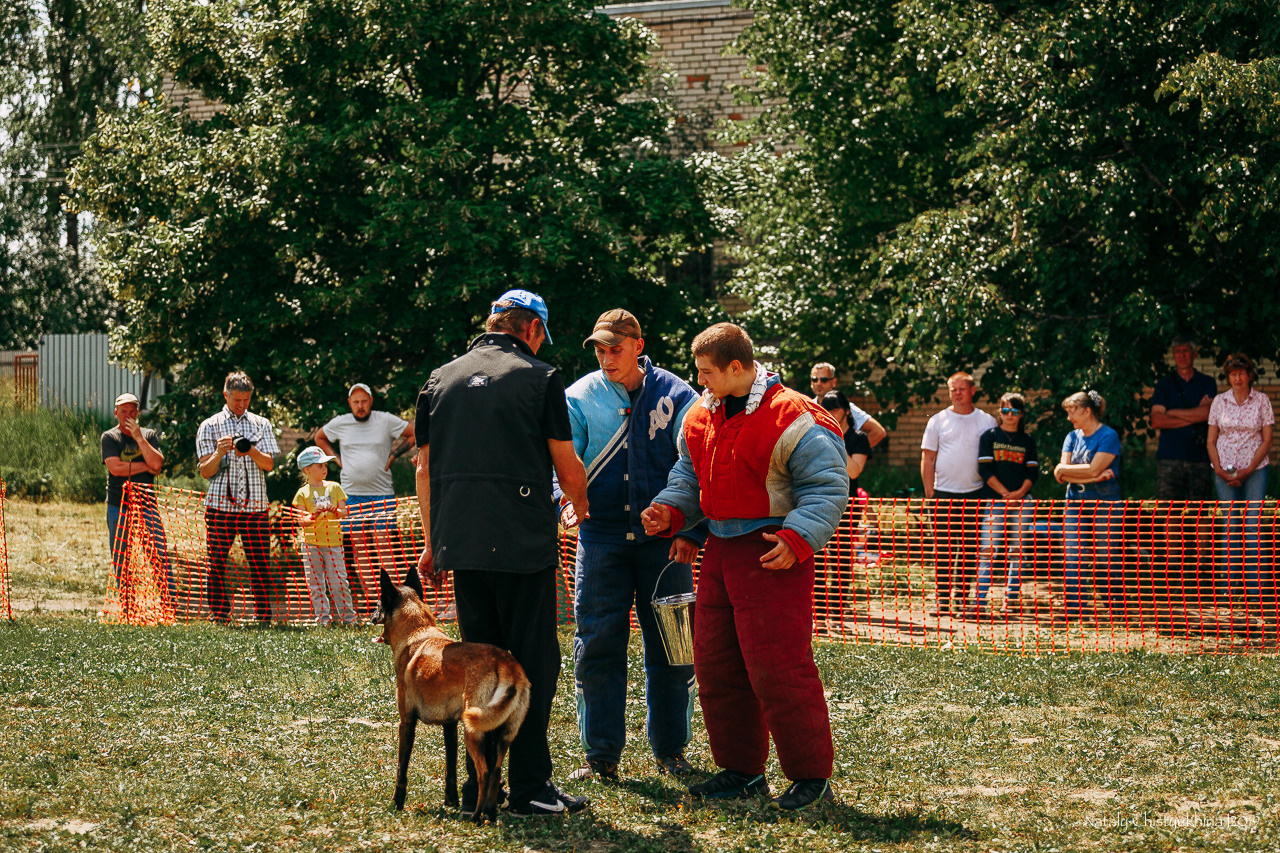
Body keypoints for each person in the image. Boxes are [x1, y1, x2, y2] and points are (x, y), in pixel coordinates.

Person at [641, 323, 848, 812]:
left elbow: (827, 486)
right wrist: (669, 511)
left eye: (707, 372)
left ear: (737, 367)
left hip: (774, 553)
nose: (700, 380)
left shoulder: (793, 415)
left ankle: (811, 776)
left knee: (779, 670)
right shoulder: (700, 414)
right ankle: (742, 770)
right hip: (719, 552)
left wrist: (798, 538)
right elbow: (687, 477)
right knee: (717, 667)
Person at [414, 288, 591, 818]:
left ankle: (480, 789)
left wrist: (431, 544)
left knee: (481, 668)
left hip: (461, 544)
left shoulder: (438, 379)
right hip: (522, 546)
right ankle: (532, 787)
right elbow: (566, 464)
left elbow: (424, 471)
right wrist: (583, 511)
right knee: (531, 665)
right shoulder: (541, 378)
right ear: (532, 329)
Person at [558, 308, 704, 784]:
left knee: (675, 645)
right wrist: (563, 499)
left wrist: (688, 529)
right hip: (599, 539)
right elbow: (562, 461)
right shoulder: (577, 396)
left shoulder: (678, 393)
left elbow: (698, 464)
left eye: (614, 348)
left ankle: (671, 749)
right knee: (596, 644)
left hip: (664, 545)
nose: (605, 357)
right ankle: (600, 755)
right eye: (599, 349)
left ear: (638, 345)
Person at [314, 383, 415, 617]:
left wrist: (394, 455)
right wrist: (336, 459)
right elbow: (320, 437)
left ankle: (398, 601)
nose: (360, 406)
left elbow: (414, 432)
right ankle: (374, 602)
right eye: (356, 402)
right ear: (350, 403)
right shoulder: (340, 423)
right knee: (359, 549)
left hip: (381, 494)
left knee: (384, 547)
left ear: (371, 401)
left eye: (364, 401)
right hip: (351, 495)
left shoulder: (385, 420)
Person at [196, 371, 281, 625]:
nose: (241, 405)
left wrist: (251, 450)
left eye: (246, 400)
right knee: (217, 562)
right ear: (226, 395)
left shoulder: (261, 424)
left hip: (255, 506)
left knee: (260, 563)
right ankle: (220, 613)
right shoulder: (210, 425)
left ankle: (263, 615)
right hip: (220, 506)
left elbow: (269, 465)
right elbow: (204, 471)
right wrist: (219, 452)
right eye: (236, 400)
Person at [919, 372, 997, 615]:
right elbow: (928, 457)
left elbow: (993, 460)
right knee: (942, 549)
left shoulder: (987, 421)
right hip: (942, 495)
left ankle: (962, 600)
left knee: (969, 549)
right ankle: (942, 601)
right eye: (953, 389)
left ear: (972, 390)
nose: (957, 393)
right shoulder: (938, 420)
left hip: (974, 495)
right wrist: (930, 491)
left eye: (961, 389)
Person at [1206, 353, 1274, 600]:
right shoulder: (1219, 402)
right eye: (1232, 374)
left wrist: (1248, 470)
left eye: (1241, 373)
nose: (1237, 378)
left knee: (1252, 526)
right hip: (1224, 471)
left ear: (1249, 375)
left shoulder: (1262, 400)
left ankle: (1256, 592)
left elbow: (1267, 440)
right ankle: (1229, 591)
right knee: (1231, 525)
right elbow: (1211, 440)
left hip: (1255, 470)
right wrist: (1219, 469)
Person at [1053, 391, 1122, 620]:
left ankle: (1114, 608)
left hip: (1105, 504)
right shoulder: (1071, 437)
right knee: (1073, 555)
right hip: (1074, 503)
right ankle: (1075, 609)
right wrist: (1092, 477)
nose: (1069, 417)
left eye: (1072, 411)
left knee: (1107, 555)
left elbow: (1078, 469)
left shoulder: (1108, 435)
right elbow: (1062, 473)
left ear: (1087, 411)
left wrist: (1076, 472)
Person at [972, 393, 1039, 618]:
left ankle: (1010, 600)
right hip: (994, 500)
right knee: (988, 550)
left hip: (1022, 502)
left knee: (1017, 551)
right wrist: (1003, 493)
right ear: (999, 412)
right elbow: (985, 470)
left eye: (1015, 411)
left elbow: (1032, 472)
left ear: (1021, 415)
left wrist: (1019, 493)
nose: (1010, 416)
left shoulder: (1027, 441)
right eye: (1005, 411)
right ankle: (979, 602)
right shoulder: (989, 437)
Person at [100, 393, 172, 596]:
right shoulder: (109, 437)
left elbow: (157, 463)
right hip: (118, 506)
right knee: (121, 556)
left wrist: (139, 438)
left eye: (132, 411)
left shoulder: (148, 435)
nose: (128, 415)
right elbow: (115, 468)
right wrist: (145, 466)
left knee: (158, 554)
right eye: (124, 411)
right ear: (116, 413)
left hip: (147, 504)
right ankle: (127, 603)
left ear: (138, 413)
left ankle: (169, 601)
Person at [292, 446, 355, 626]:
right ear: (307, 470)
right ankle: (322, 619)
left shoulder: (335, 487)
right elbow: (301, 521)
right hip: (311, 544)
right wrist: (314, 516)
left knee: (339, 582)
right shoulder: (302, 493)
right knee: (315, 584)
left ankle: (348, 619)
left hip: (334, 543)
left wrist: (335, 510)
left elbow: (344, 512)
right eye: (319, 465)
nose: (324, 468)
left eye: (325, 465)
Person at [1150, 338, 1216, 500]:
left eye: (1185, 351)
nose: (1181, 355)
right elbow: (1157, 421)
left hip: (1199, 456)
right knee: (1170, 513)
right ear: (1173, 355)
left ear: (1194, 353)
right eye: (1177, 351)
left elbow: (1208, 415)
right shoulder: (1164, 385)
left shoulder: (1207, 382)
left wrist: (1172, 412)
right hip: (1169, 457)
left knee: (1200, 513)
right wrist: (1195, 416)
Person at [809, 362, 886, 446]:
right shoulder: (806, 407)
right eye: (814, 379)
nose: (818, 383)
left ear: (834, 382)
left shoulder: (844, 406)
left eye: (824, 380)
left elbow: (878, 432)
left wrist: (855, 453)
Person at [818, 389, 872, 497]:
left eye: (835, 410)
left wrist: (835, 441)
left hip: (848, 503)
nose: (830, 414)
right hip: (822, 501)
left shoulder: (859, 438)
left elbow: (854, 473)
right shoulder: (819, 436)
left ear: (847, 410)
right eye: (826, 410)